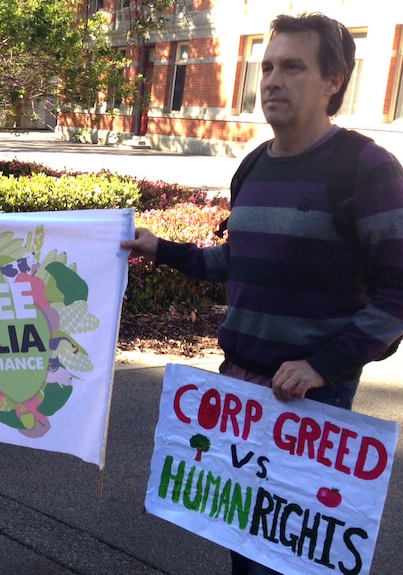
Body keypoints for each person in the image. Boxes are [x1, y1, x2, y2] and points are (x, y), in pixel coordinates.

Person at [121, 12, 403, 575]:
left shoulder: (366, 169)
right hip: (239, 391)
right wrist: (160, 248)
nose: (271, 79)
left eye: (292, 67)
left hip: (310, 401)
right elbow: (235, 261)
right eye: (267, 65)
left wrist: (322, 366)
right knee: (245, 539)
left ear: (333, 81)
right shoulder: (252, 166)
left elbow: (398, 293)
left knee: (288, 555)